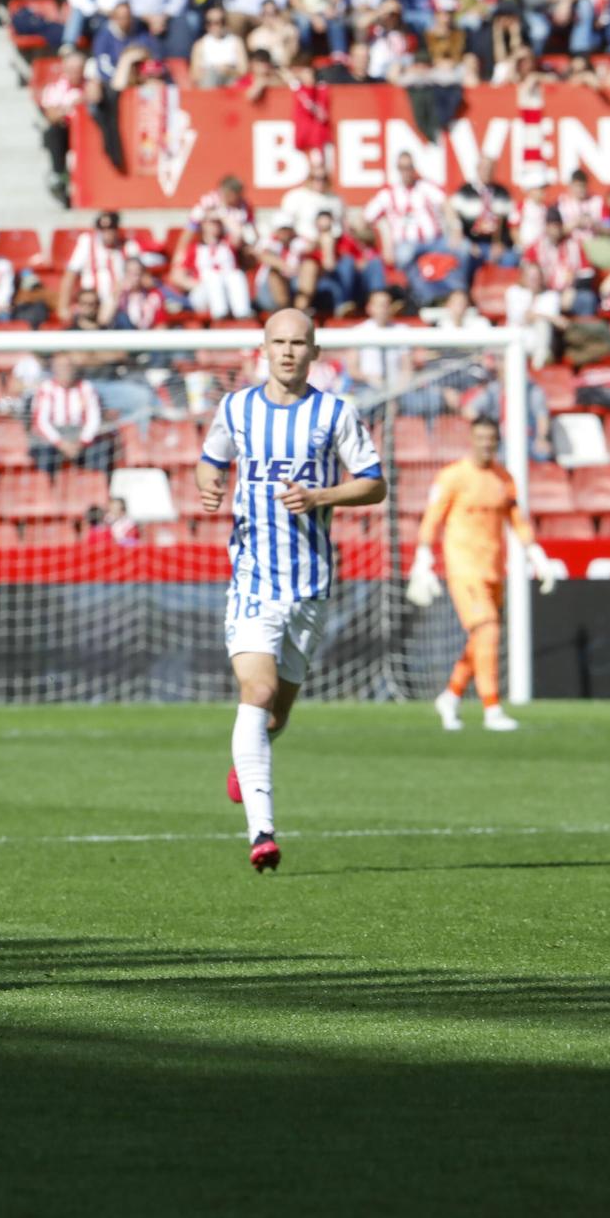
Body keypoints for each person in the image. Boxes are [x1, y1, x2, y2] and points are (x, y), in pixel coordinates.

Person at [195, 310, 387, 873]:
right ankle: (262, 833)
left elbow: (375, 483)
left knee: (275, 716)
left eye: (297, 343)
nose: (286, 352)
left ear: (314, 351)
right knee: (255, 693)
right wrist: (210, 488)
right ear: (263, 348)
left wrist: (321, 497)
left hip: (310, 586)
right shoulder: (236, 407)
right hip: (253, 579)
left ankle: (247, 759)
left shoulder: (335, 413)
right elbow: (211, 463)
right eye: (277, 342)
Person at [406, 417, 558, 734]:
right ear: (471, 439)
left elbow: (517, 520)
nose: (485, 444)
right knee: (487, 629)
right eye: (480, 438)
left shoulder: (503, 479)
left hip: (493, 569)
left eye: (491, 438)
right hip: (463, 568)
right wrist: (423, 556)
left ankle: (451, 695)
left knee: (481, 638)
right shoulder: (453, 476)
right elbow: (433, 517)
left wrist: (536, 554)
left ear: (497, 441)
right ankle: (491, 709)